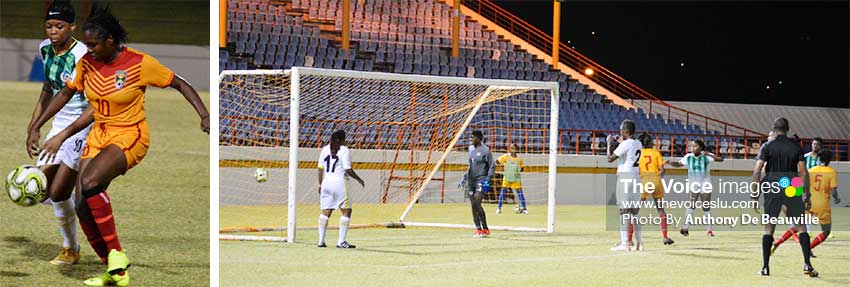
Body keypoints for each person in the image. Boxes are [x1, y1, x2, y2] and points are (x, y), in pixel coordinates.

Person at [27, 4, 210, 286]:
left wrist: (205, 114)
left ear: (110, 40)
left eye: (94, 45)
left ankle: (116, 254)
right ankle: (114, 271)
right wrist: (38, 125)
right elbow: (65, 93)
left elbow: (180, 83)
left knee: (89, 183)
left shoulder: (140, 63)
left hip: (130, 135)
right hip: (99, 134)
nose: (89, 50)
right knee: (83, 206)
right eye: (87, 45)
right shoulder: (87, 63)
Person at [23, 0, 89, 266]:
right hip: (59, 121)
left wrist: (62, 133)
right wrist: (34, 124)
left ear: (72, 26)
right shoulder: (44, 48)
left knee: (58, 192)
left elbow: (94, 100)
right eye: (49, 25)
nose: (53, 31)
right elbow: (49, 88)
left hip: (84, 123)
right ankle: (79, 202)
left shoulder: (83, 53)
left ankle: (70, 249)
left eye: (59, 26)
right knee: (42, 191)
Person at [751, 118, 816, 277]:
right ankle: (807, 264)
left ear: (774, 128)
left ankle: (765, 267)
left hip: (772, 185)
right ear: (788, 129)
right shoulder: (796, 146)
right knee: (801, 226)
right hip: (792, 186)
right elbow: (803, 172)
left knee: (769, 228)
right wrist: (806, 194)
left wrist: (754, 193)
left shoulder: (767, 146)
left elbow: (757, 171)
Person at [771, 150, 840, 256]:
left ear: (819, 159)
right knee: (826, 231)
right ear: (829, 160)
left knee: (797, 226)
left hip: (808, 202)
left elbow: (801, 184)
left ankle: (777, 242)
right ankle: (809, 248)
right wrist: (836, 198)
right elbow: (834, 190)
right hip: (822, 204)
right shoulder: (831, 172)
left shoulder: (811, 170)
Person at [317, 130, 365, 249]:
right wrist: (359, 179)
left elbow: (320, 168)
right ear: (342, 140)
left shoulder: (324, 149)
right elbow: (348, 169)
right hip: (339, 183)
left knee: (325, 212)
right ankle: (341, 241)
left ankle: (321, 241)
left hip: (326, 182)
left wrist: (320, 184)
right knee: (346, 211)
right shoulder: (343, 150)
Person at [666, 139, 723, 237]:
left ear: (700, 148)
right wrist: (670, 163)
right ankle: (685, 228)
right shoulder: (688, 157)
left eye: (695, 146)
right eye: (691, 146)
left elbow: (720, 159)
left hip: (705, 184)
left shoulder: (706, 156)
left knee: (706, 206)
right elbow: (679, 164)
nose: (692, 148)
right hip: (694, 185)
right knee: (691, 205)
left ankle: (709, 230)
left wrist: (709, 154)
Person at [607, 120, 643, 251]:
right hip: (636, 177)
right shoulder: (638, 143)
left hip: (625, 176)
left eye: (621, 130)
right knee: (635, 212)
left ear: (626, 131)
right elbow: (629, 149)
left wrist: (609, 144)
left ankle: (624, 242)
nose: (620, 132)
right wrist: (620, 142)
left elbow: (610, 158)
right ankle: (639, 242)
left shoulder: (626, 143)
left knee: (623, 211)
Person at [635, 133, 674, 245]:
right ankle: (665, 237)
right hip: (656, 180)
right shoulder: (656, 153)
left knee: (634, 211)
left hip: (644, 181)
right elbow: (662, 170)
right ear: (651, 143)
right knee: (661, 210)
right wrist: (658, 175)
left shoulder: (640, 154)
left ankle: (628, 239)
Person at [466, 130, 494, 238]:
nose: (471, 139)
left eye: (472, 137)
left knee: (476, 203)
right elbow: (470, 164)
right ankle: (478, 229)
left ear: (478, 138)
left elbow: (492, 166)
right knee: (473, 205)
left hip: (481, 180)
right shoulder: (470, 149)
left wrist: (488, 180)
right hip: (471, 180)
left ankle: (485, 228)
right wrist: (465, 176)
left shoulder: (486, 151)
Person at [496, 143, 527, 214]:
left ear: (516, 150)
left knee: (520, 194)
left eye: (513, 148)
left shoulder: (519, 159)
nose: (511, 149)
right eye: (511, 148)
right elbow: (497, 161)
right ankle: (499, 208)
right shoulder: (506, 156)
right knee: (502, 194)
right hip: (507, 178)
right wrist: (497, 165)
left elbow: (522, 168)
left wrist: (520, 170)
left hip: (516, 179)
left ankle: (525, 209)